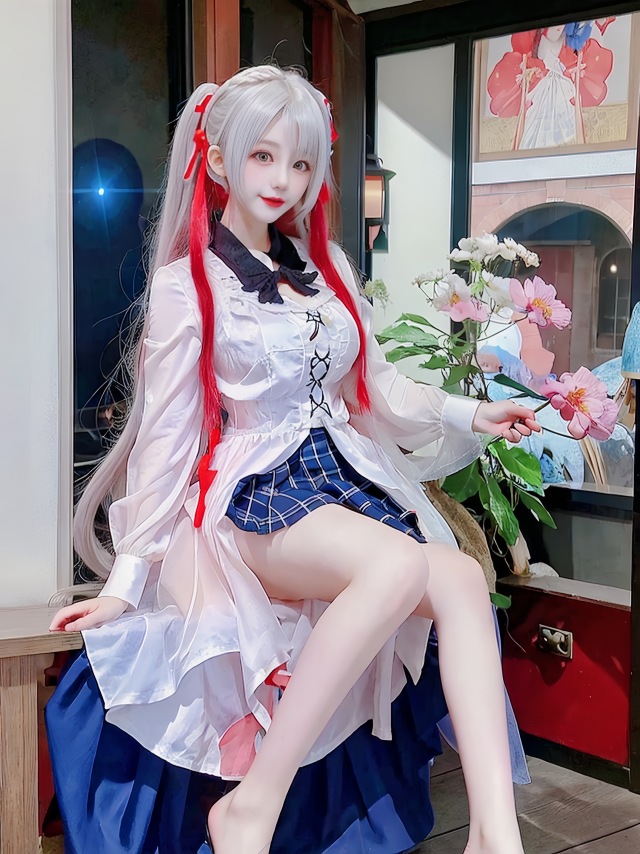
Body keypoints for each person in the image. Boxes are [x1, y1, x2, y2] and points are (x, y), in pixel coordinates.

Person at [48, 65, 539, 854]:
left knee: (458, 579)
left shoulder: (329, 268)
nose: (284, 180)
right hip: (255, 496)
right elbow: (165, 439)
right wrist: (127, 581)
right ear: (218, 161)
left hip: (341, 479)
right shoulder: (188, 285)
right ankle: (252, 806)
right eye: (263, 156)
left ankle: (495, 836)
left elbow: (376, 388)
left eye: (301, 162)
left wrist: (472, 411)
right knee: (397, 566)